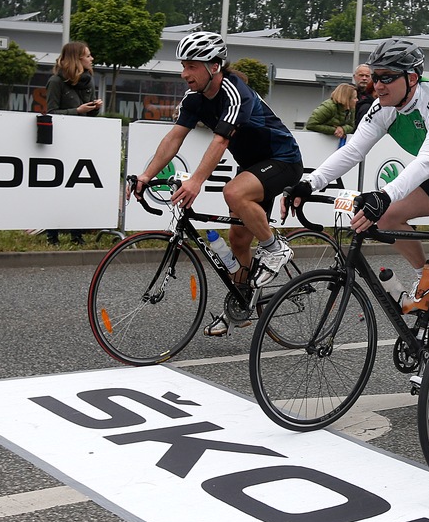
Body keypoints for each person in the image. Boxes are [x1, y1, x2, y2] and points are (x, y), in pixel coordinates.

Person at [282, 39, 429, 394]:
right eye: (375, 77)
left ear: (413, 78)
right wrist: (309, 183)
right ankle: (424, 278)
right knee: (386, 218)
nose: (377, 85)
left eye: (386, 77)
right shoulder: (383, 106)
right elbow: (354, 149)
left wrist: (383, 194)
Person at [130, 31, 304, 336]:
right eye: (183, 66)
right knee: (237, 242)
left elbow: (221, 140)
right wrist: (146, 174)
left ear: (214, 66)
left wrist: (196, 181)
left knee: (233, 191)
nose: (185, 74)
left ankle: (275, 248)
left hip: (283, 160)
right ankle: (240, 306)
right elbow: (174, 137)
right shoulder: (194, 99)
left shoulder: (237, 93)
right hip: (253, 166)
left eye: (192, 66)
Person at [44, 41, 103, 245]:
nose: (91, 59)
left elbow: (90, 114)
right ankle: (52, 235)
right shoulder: (55, 81)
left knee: (80, 187)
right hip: (61, 142)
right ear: (77, 59)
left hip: (82, 140)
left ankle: (76, 234)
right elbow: (50, 113)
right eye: (87, 55)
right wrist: (77, 111)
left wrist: (94, 107)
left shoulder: (88, 81)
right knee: (58, 187)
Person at [353, 63, 375, 129]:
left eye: (367, 76)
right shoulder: (348, 93)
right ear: (354, 77)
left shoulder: (377, 94)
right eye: (361, 75)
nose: (364, 78)